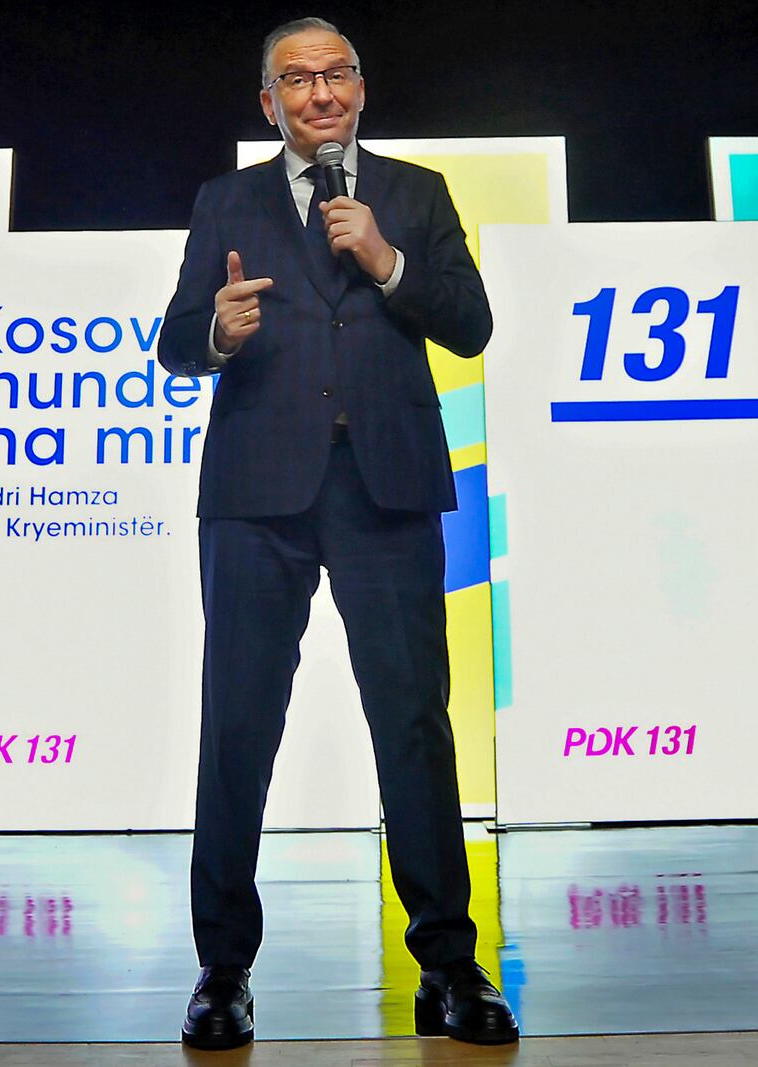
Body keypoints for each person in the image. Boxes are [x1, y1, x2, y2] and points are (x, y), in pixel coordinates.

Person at [157, 16, 519, 1050]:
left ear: (360, 89)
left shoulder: (415, 192)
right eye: (295, 80)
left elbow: (471, 322)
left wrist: (388, 260)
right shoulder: (223, 200)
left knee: (413, 725)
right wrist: (217, 333)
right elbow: (176, 338)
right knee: (237, 730)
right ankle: (222, 967)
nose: (318, 94)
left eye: (336, 75)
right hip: (256, 493)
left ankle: (448, 962)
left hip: (386, 487)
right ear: (266, 103)